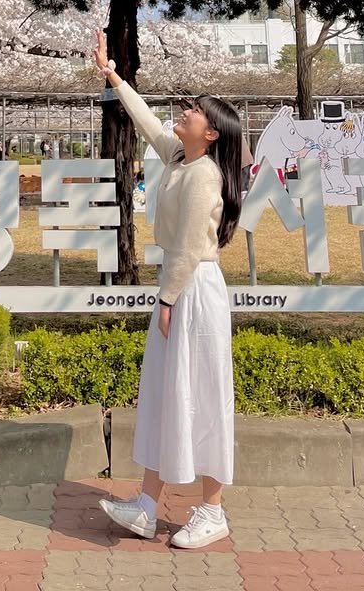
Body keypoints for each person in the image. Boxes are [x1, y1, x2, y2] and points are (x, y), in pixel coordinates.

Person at [93, 29, 243, 550]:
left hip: (194, 289)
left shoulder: (203, 175)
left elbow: (186, 246)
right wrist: (113, 76)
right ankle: (148, 505)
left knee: (201, 392)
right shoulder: (180, 158)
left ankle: (212, 510)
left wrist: (167, 298)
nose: (184, 113)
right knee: (165, 392)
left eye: (195, 111)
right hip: (180, 288)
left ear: (213, 133)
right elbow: (148, 121)